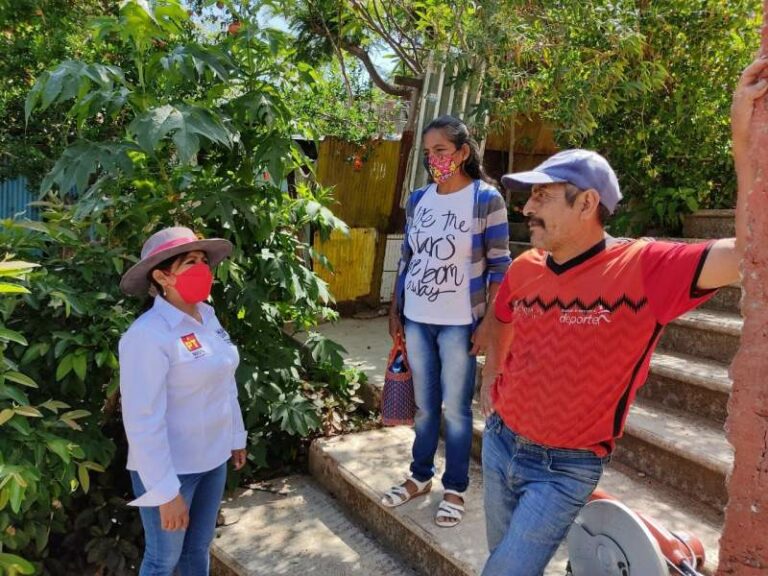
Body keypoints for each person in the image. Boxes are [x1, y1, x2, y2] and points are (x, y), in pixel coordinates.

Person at [479, 55, 768, 576]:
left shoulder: (644, 268)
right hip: (501, 443)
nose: (527, 208)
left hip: (565, 468)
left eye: (541, 196)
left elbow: (748, 253)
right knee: (500, 560)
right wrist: (491, 378)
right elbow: (500, 319)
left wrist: (742, 141)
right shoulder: (525, 268)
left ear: (586, 202)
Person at [382, 115, 511, 527]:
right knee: (424, 408)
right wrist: (396, 309)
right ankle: (420, 476)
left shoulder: (485, 199)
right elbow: (407, 258)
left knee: (455, 409)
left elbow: (500, 267)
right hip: (417, 319)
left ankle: (455, 487)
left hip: (459, 323)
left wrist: (489, 322)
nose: (433, 159)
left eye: (441, 150)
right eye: (427, 152)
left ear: (463, 152)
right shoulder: (419, 199)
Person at [118, 226, 248, 576]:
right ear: (161, 276)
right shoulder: (147, 335)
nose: (202, 269)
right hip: (171, 469)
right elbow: (142, 420)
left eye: (204, 261)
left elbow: (225, 380)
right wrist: (165, 492)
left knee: (197, 549)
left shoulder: (207, 316)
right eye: (190, 262)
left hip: (213, 460)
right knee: (163, 560)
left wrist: (235, 436)